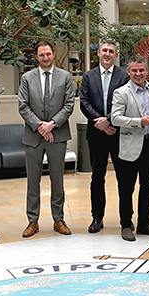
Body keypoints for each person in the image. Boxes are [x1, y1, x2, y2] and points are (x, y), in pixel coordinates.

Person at [18, 41, 75, 237]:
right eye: (41, 55)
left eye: (48, 54)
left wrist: (52, 124)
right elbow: (23, 106)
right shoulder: (26, 78)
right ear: (36, 57)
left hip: (57, 135)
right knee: (33, 181)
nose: (45, 58)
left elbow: (69, 105)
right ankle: (32, 221)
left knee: (57, 180)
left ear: (53, 54)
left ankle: (58, 219)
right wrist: (40, 126)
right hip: (33, 137)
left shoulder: (65, 77)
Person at [110, 56, 149, 242]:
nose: (138, 73)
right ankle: (126, 225)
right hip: (130, 145)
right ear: (128, 72)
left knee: (147, 186)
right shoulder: (121, 92)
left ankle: (144, 223)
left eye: (141, 70)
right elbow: (115, 119)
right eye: (134, 70)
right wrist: (138, 122)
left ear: (146, 71)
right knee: (126, 188)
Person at [78, 40, 129, 233]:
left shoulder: (124, 76)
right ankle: (97, 218)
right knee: (97, 177)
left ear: (116, 55)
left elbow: (125, 103)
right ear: (98, 53)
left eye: (111, 51)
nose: (107, 54)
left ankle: (126, 220)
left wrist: (109, 120)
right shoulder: (88, 77)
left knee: (124, 178)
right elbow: (84, 102)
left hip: (118, 133)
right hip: (96, 134)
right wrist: (99, 122)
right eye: (104, 51)